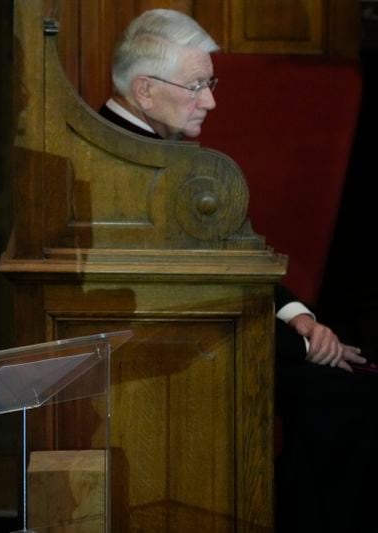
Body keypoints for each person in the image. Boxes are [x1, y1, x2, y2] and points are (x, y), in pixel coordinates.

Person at [99, 9, 378, 533]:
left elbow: (236, 256)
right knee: (347, 403)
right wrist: (306, 347)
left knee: (349, 393)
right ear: (144, 89)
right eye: (198, 85)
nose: (211, 100)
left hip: (222, 332)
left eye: (211, 82)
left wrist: (298, 316)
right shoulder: (117, 166)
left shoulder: (163, 152)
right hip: (172, 354)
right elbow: (179, 298)